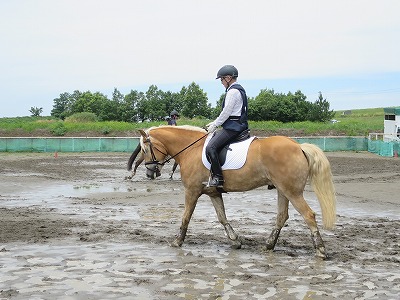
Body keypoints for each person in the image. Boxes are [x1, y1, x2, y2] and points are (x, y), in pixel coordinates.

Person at [205, 65, 249, 187]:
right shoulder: (239, 90)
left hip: (233, 127)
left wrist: (215, 124)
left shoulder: (233, 91)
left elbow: (226, 112)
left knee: (211, 147)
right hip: (239, 125)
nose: (221, 82)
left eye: (222, 79)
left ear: (228, 78)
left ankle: (218, 178)